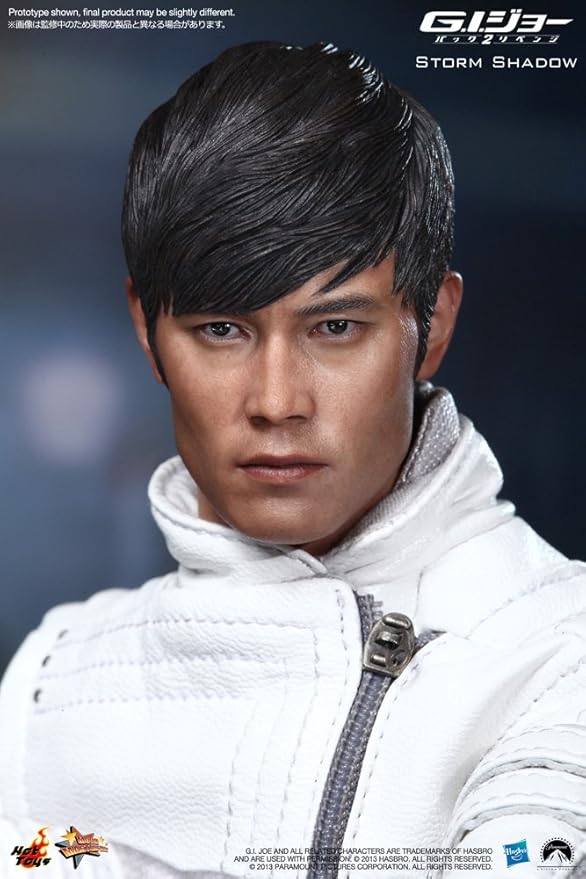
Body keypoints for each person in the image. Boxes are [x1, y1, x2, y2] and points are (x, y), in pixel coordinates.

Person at [0, 40, 585, 879]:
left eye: (335, 327)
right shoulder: (54, 676)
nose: (276, 400)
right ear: (146, 330)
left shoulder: (559, 647)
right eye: (221, 329)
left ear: (432, 325)